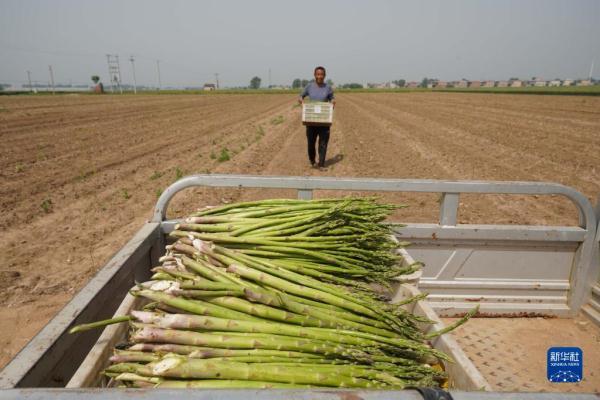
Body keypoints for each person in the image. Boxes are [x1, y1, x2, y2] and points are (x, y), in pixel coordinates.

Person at [298, 66, 336, 169]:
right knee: (311, 143)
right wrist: (301, 102)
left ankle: (321, 164)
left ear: (324, 75)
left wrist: (333, 102)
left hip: (323, 120)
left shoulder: (328, 88)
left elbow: (332, 98)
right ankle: (312, 161)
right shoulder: (309, 86)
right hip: (311, 120)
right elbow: (301, 96)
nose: (320, 76)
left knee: (323, 143)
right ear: (315, 75)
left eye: (322, 74)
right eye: (318, 74)